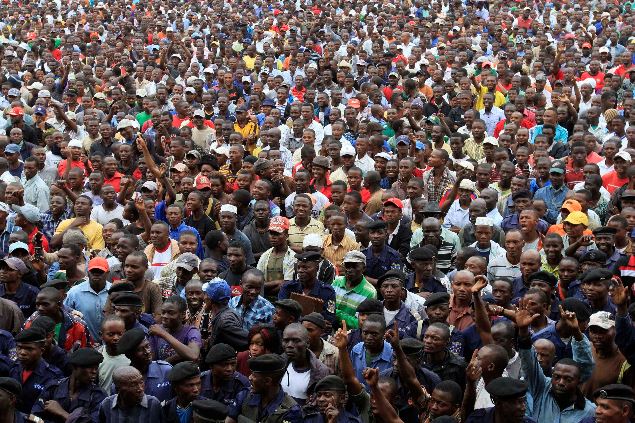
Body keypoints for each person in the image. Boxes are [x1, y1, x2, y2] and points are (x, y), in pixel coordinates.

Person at [517, 300, 596, 422]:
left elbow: (584, 365)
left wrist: (576, 332)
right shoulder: (542, 389)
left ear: (578, 381)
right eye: (557, 377)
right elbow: (529, 364)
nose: (561, 382)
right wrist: (523, 332)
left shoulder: (590, 412)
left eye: (568, 379)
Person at [32, 347, 107, 422]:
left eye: (96, 368)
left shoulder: (98, 395)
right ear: (74, 367)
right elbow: (34, 416)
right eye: (89, 367)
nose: (94, 372)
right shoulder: (53, 387)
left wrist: (62, 413)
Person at [226, 354, 302, 423]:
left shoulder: (291, 411)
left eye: (254, 375)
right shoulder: (244, 395)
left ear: (267, 381)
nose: (250, 377)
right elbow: (229, 420)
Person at [278, 251, 337, 327]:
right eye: (298, 267)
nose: (300, 271)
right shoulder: (287, 287)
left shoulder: (327, 291)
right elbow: (281, 313)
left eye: (305, 268)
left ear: (317, 268)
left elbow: (329, 319)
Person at [116, 327, 173, 402]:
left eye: (147, 346)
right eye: (140, 350)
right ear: (129, 355)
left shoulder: (165, 370)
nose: (147, 352)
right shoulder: (123, 379)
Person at [63, 256, 112, 342]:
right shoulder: (75, 292)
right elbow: (65, 314)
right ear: (87, 273)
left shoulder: (114, 291)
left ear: (107, 273)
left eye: (100, 272)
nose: (96, 274)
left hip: (110, 343)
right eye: (93, 271)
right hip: (84, 343)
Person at [280, 323, 330, 404]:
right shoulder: (279, 365)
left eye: (296, 341)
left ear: (307, 343)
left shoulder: (321, 371)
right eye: (286, 341)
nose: (289, 345)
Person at [98, 366, 163, 422]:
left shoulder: (153, 404)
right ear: (118, 389)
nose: (140, 389)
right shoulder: (107, 405)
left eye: (141, 382)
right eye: (133, 385)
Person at [149, 296, 202, 364]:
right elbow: (151, 362)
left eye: (170, 313)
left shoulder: (191, 332)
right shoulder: (156, 330)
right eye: (163, 312)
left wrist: (163, 334)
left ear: (182, 314)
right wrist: (178, 356)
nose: (165, 316)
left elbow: (193, 355)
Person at [332, 251, 377, 329]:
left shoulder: (370, 292)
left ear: (364, 268)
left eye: (354, 266)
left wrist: (338, 315)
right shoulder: (336, 282)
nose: (349, 270)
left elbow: (363, 323)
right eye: (347, 266)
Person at [465, 377, 537, 423]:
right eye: (517, 402)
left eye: (524, 401)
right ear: (498, 403)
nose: (523, 408)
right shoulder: (477, 420)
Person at [205, 281, 248, 351]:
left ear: (211, 300)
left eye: (206, 294)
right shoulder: (227, 313)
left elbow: (246, 340)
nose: (204, 297)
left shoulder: (225, 322)